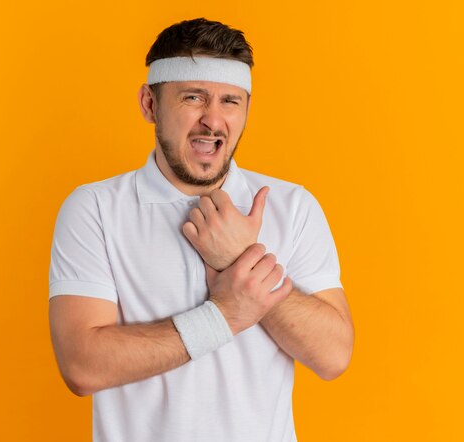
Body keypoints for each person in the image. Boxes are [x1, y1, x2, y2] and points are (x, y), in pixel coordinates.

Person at [48, 17, 354, 442]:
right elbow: (82, 366)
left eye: (230, 101)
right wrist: (225, 314)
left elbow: (334, 355)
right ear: (149, 105)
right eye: (193, 98)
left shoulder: (293, 206)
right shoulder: (95, 209)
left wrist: (240, 258)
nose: (213, 121)